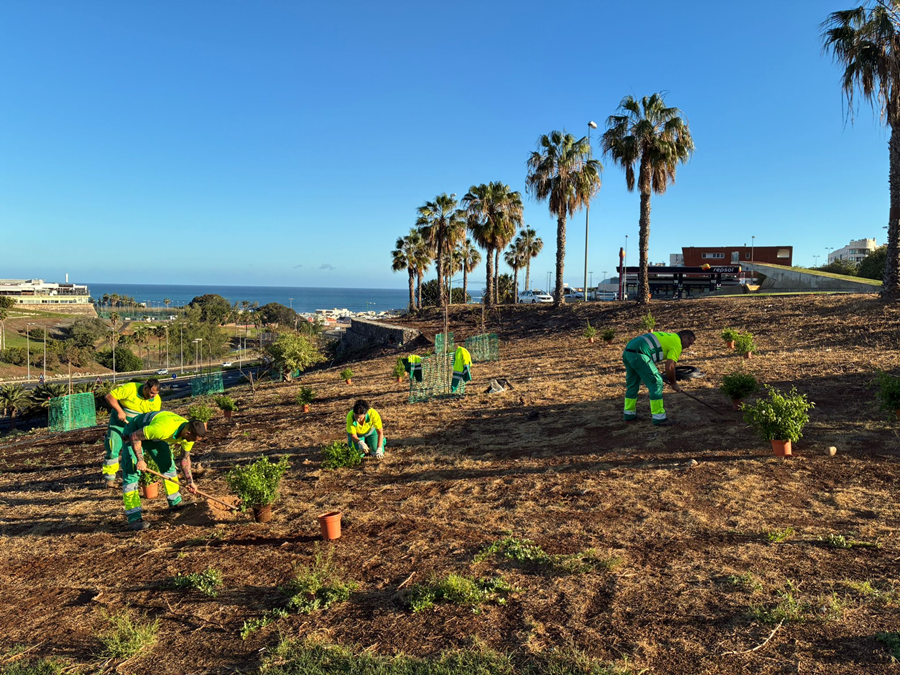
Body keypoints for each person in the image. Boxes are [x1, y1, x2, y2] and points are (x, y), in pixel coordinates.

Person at [119, 411, 207, 530]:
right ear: (188, 433)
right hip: (134, 431)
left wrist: (190, 481)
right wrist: (140, 460)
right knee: (132, 472)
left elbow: (185, 459)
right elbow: (135, 436)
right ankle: (134, 517)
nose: (194, 442)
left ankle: (175, 502)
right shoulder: (162, 429)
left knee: (168, 466)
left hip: (152, 435)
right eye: (194, 439)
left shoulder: (188, 435)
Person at [622, 330, 696, 426]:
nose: (688, 346)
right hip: (640, 354)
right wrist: (673, 383)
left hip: (628, 352)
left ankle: (629, 415)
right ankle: (659, 418)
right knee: (657, 383)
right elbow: (670, 366)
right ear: (684, 337)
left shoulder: (670, 336)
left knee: (633, 384)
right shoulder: (677, 344)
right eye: (689, 343)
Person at [100, 379, 162, 488]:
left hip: (134, 428)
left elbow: (150, 418)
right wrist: (120, 411)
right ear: (145, 387)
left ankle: (132, 479)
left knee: (133, 453)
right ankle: (109, 478)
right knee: (112, 448)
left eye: (156, 394)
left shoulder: (156, 401)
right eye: (152, 393)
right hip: (118, 424)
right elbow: (109, 397)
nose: (153, 396)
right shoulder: (130, 388)